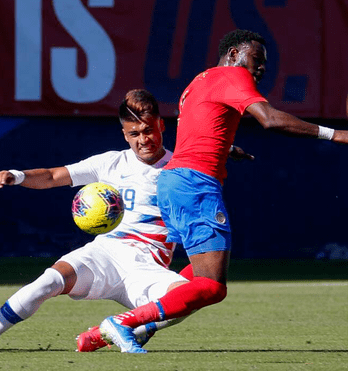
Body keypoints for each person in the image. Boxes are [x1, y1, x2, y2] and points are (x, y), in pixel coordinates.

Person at [0, 89, 252, 353]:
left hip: (147, 266)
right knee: (48, 281)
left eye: (149, 130)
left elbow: (207, 151)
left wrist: (226, 150)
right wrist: (18, 175)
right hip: (103, 254)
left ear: (161, 124)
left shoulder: (181, 168)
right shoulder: (110, 163)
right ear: (124, 133)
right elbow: (52, 176)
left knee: (187, 299)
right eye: (134, 133)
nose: (143, 139)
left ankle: (102, 334)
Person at [97, 29, 348, 352]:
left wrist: (225, 147)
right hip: (194, 184)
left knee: (201, 275)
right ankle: (125, 322)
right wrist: (337, 135)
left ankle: (103, 334)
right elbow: (270, 120)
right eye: (256, 60)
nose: (260, 69)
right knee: (212, 286)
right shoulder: (233, 75)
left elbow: (197, 126)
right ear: (233, 54)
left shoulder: (198, 82)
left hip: (175, 182)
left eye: (263, 65)